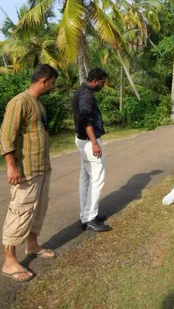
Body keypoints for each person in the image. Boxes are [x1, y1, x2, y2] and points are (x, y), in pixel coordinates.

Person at [0, 64, 58, 282]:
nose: (53, 86)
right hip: (26, 170)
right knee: (20, 211)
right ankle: (8, 260)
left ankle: (32, 245)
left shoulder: (38, 104)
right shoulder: (19, 102)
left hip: (42, 167)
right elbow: (6, 136)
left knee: (38, 209)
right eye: (53, 82)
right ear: (44, 81)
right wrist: (12, 165)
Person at [72, 68, 110, 232]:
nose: (103, 85)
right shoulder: (87, 94)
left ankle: (85, 214)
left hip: (82, 139)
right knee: (96, 178)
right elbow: (86, 118)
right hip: (89, 141)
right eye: (102, 82)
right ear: (96, 80)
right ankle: (90, 218)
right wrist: (94, 142)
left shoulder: (80, 91)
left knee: (86, 177)